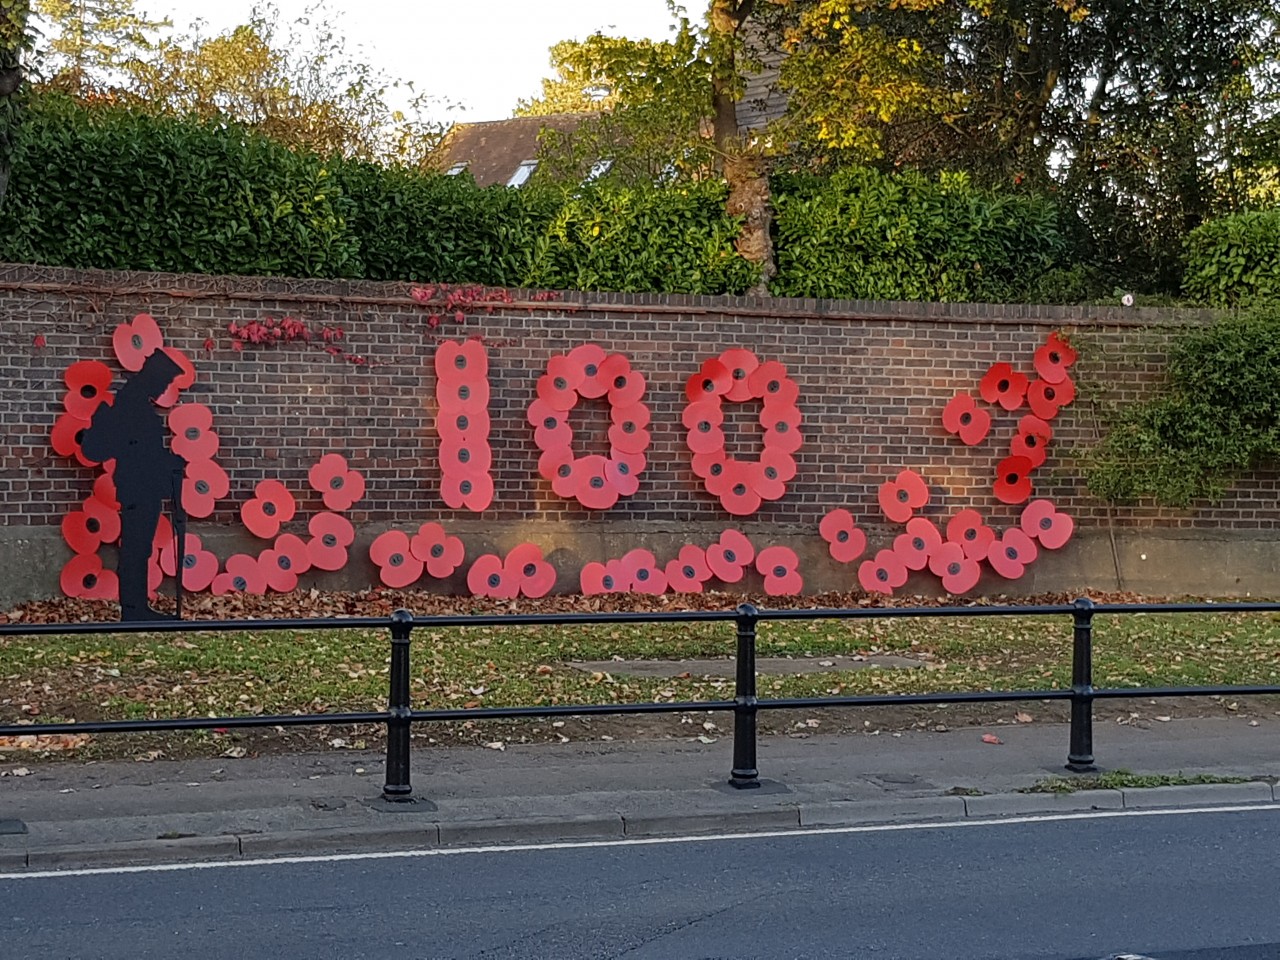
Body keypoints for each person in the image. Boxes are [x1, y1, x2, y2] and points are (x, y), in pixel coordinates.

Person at [81, 350, 188, 621]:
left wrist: (168, 461)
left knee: (139, 547)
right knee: (136, 548)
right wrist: (169, 461)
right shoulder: (133, 404)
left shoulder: (135, 401)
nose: (165, 388)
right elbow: (141, 451)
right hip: (138, 486)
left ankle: (136, 607)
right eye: (164, 382)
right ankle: (133, 609)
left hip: (141, 485)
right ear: (154, 377)